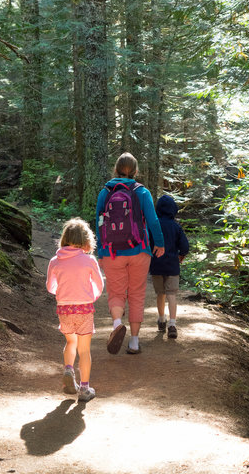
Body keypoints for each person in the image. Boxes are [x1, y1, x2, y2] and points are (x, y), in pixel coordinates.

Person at [96, 152, 165, 355]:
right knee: (136, 294)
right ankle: (134, 342)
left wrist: (101, 251)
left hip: (112, 252)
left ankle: (117, 324)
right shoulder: (142, 192)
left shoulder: (105, 192)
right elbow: (153, 221)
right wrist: (159, 243)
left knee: (116, 293)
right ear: (135, 171)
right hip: (140, 250)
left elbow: (99, 223)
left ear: (115, 170)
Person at [46, 217, 104, 402]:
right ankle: (85, 389)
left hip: (64, 308)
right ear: (86, 240)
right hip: (84, 308)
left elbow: (50, 287)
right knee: (84, 350)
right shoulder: (89, 260)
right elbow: (99, 285)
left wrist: (62, 293)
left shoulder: (55, 260)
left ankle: (68, 370)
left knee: (70, 342)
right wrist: (90, 296)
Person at [150, 194, 189, 339]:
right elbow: (185, 246)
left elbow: (148, 243)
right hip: (172, 265)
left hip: (156, 264)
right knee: (171, 294)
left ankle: (161, 319)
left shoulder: (153, 225)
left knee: (160, 294)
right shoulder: (176, 227)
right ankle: (172, 324)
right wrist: (181, 255)